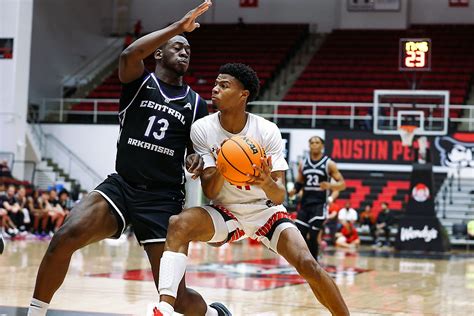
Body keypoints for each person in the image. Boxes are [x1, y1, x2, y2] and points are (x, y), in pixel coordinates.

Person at [27, 2, 228, 316]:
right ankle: (34, 313)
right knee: (64, 237)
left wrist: (195, 161)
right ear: (158, 53)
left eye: (189, 50)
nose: (185, 52)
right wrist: (179, 27)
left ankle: (215, 314)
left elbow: (195, 150)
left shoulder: (195, 104)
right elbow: (128, 55)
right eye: (178, 47)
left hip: (162, 199)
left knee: (178, 297)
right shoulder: (139, 82)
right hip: (122, 187)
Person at [154, 63, 349, 316]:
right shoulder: (202, 129)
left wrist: (266, 182)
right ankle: (165, 308)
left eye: (224, 86)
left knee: (308, 264)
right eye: (215, 84)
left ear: (243, 94)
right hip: (226, 211)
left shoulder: (267, 131)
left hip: (265, 211)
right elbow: (211, 192)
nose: (215, 89)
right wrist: (225, 160)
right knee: (178, 224)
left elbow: (280, 195)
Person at [289, 136, 346, 261]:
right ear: (309, 146)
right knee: (301, 235)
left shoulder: (329, 163)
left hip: (319, 205)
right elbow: (299, 182)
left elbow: (343, 184)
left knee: (313, 235)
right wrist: (294, 191)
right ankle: (305, 260)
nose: (314, 145)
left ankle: (314, 261)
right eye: (312, 143)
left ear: (322, 146)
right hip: (305, 205)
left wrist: (330, 185)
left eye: (317, 142)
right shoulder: (303, 163)